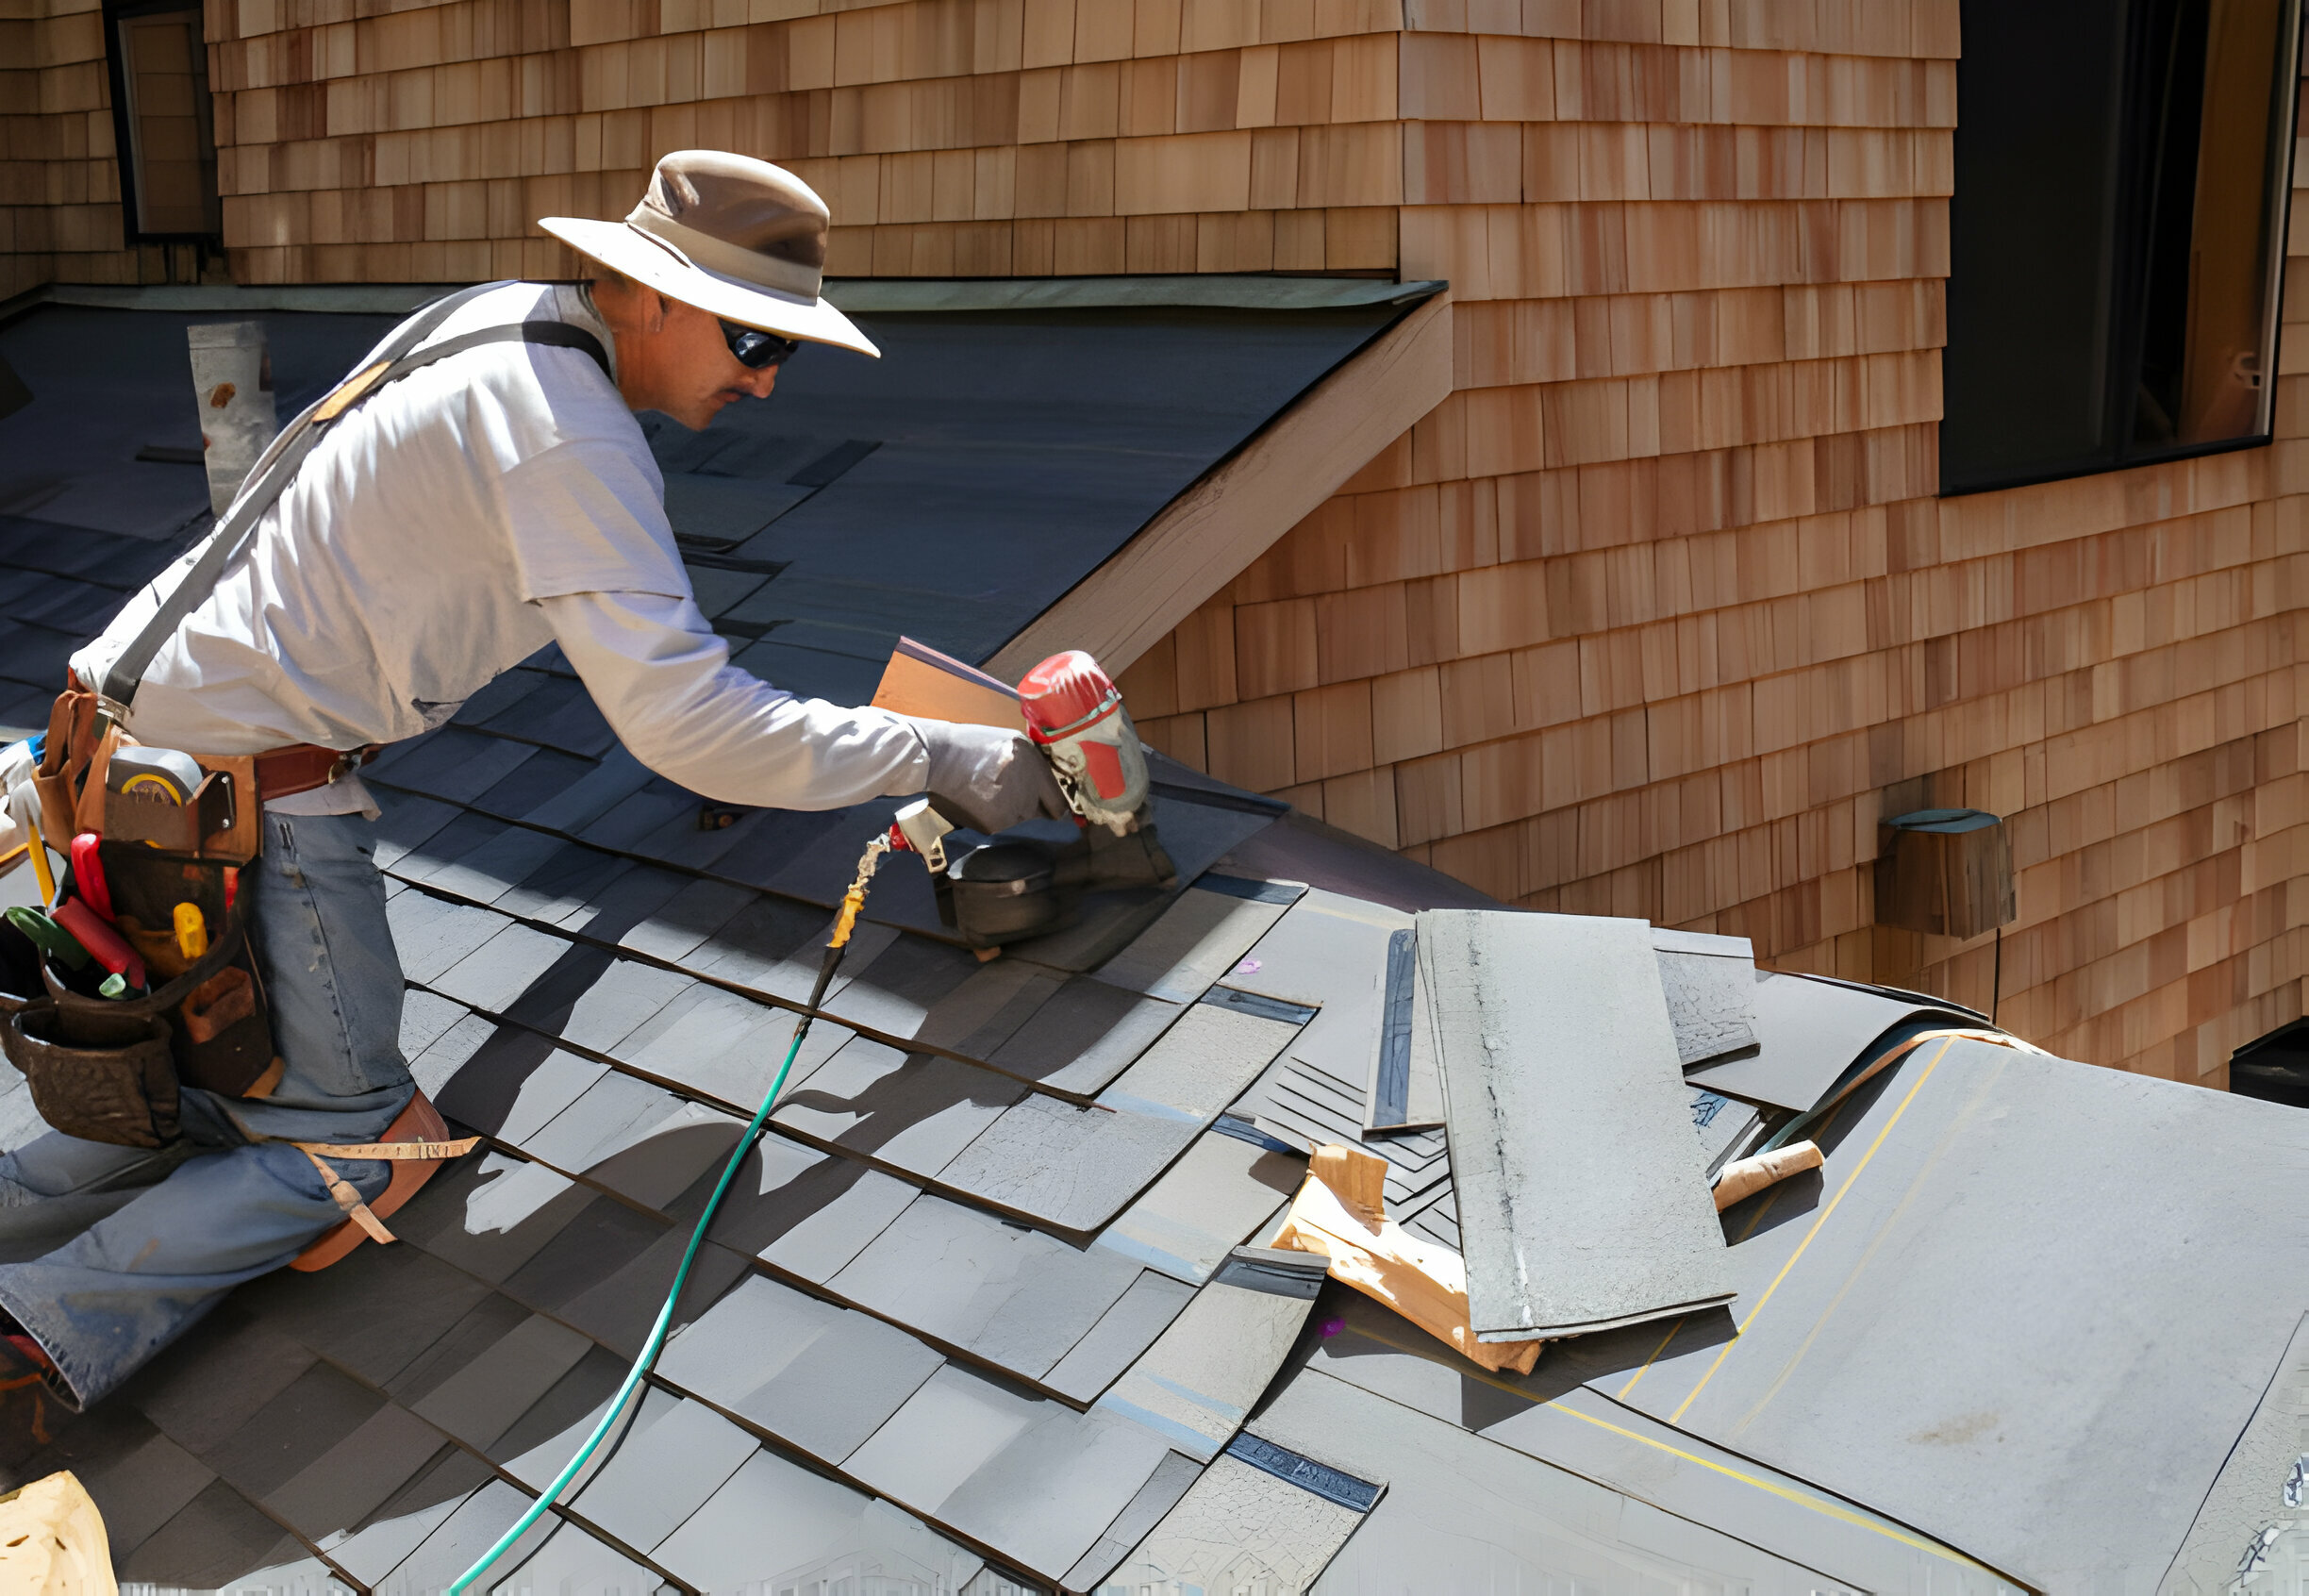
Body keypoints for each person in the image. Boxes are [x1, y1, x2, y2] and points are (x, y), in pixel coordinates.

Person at [0, 150, 1067, 1445]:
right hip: (240, 800)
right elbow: (692, 727)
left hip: (116, 754)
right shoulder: (567, 428)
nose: (765, 377)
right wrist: (948, 756)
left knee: (190, 1105)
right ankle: (35, 1325)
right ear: (647, 295)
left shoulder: (494, 319)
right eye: (748, 336)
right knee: (363, 1143)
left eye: (784, 349)